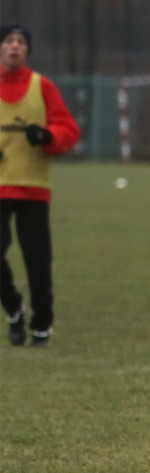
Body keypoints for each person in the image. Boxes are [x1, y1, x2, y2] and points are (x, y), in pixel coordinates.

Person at [0, 23, 80, 347]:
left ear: (28, 51)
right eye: (8, 41)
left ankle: (41, 326)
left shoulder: (41, 86)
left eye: (21, 42)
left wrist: (48, 136)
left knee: (37, 261)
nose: (14, 46)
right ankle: (14, 308)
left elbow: (68, 129)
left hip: (33, 187)